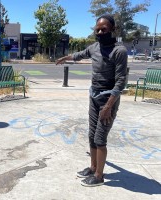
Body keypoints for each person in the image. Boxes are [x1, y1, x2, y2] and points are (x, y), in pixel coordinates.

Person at [56, 14, 127, 187]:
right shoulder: (94, 47)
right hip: (93, 96)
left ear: (113, 30)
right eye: (98, 29)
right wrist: (65, 58)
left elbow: (120, 82)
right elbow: (79, 55)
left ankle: (99, 176)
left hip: (108, 99)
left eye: (104, 29)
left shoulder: (119, 51)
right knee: (91, 135)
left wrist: (108, 106)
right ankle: (93, 166)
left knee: (100, 138)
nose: (101, 32)